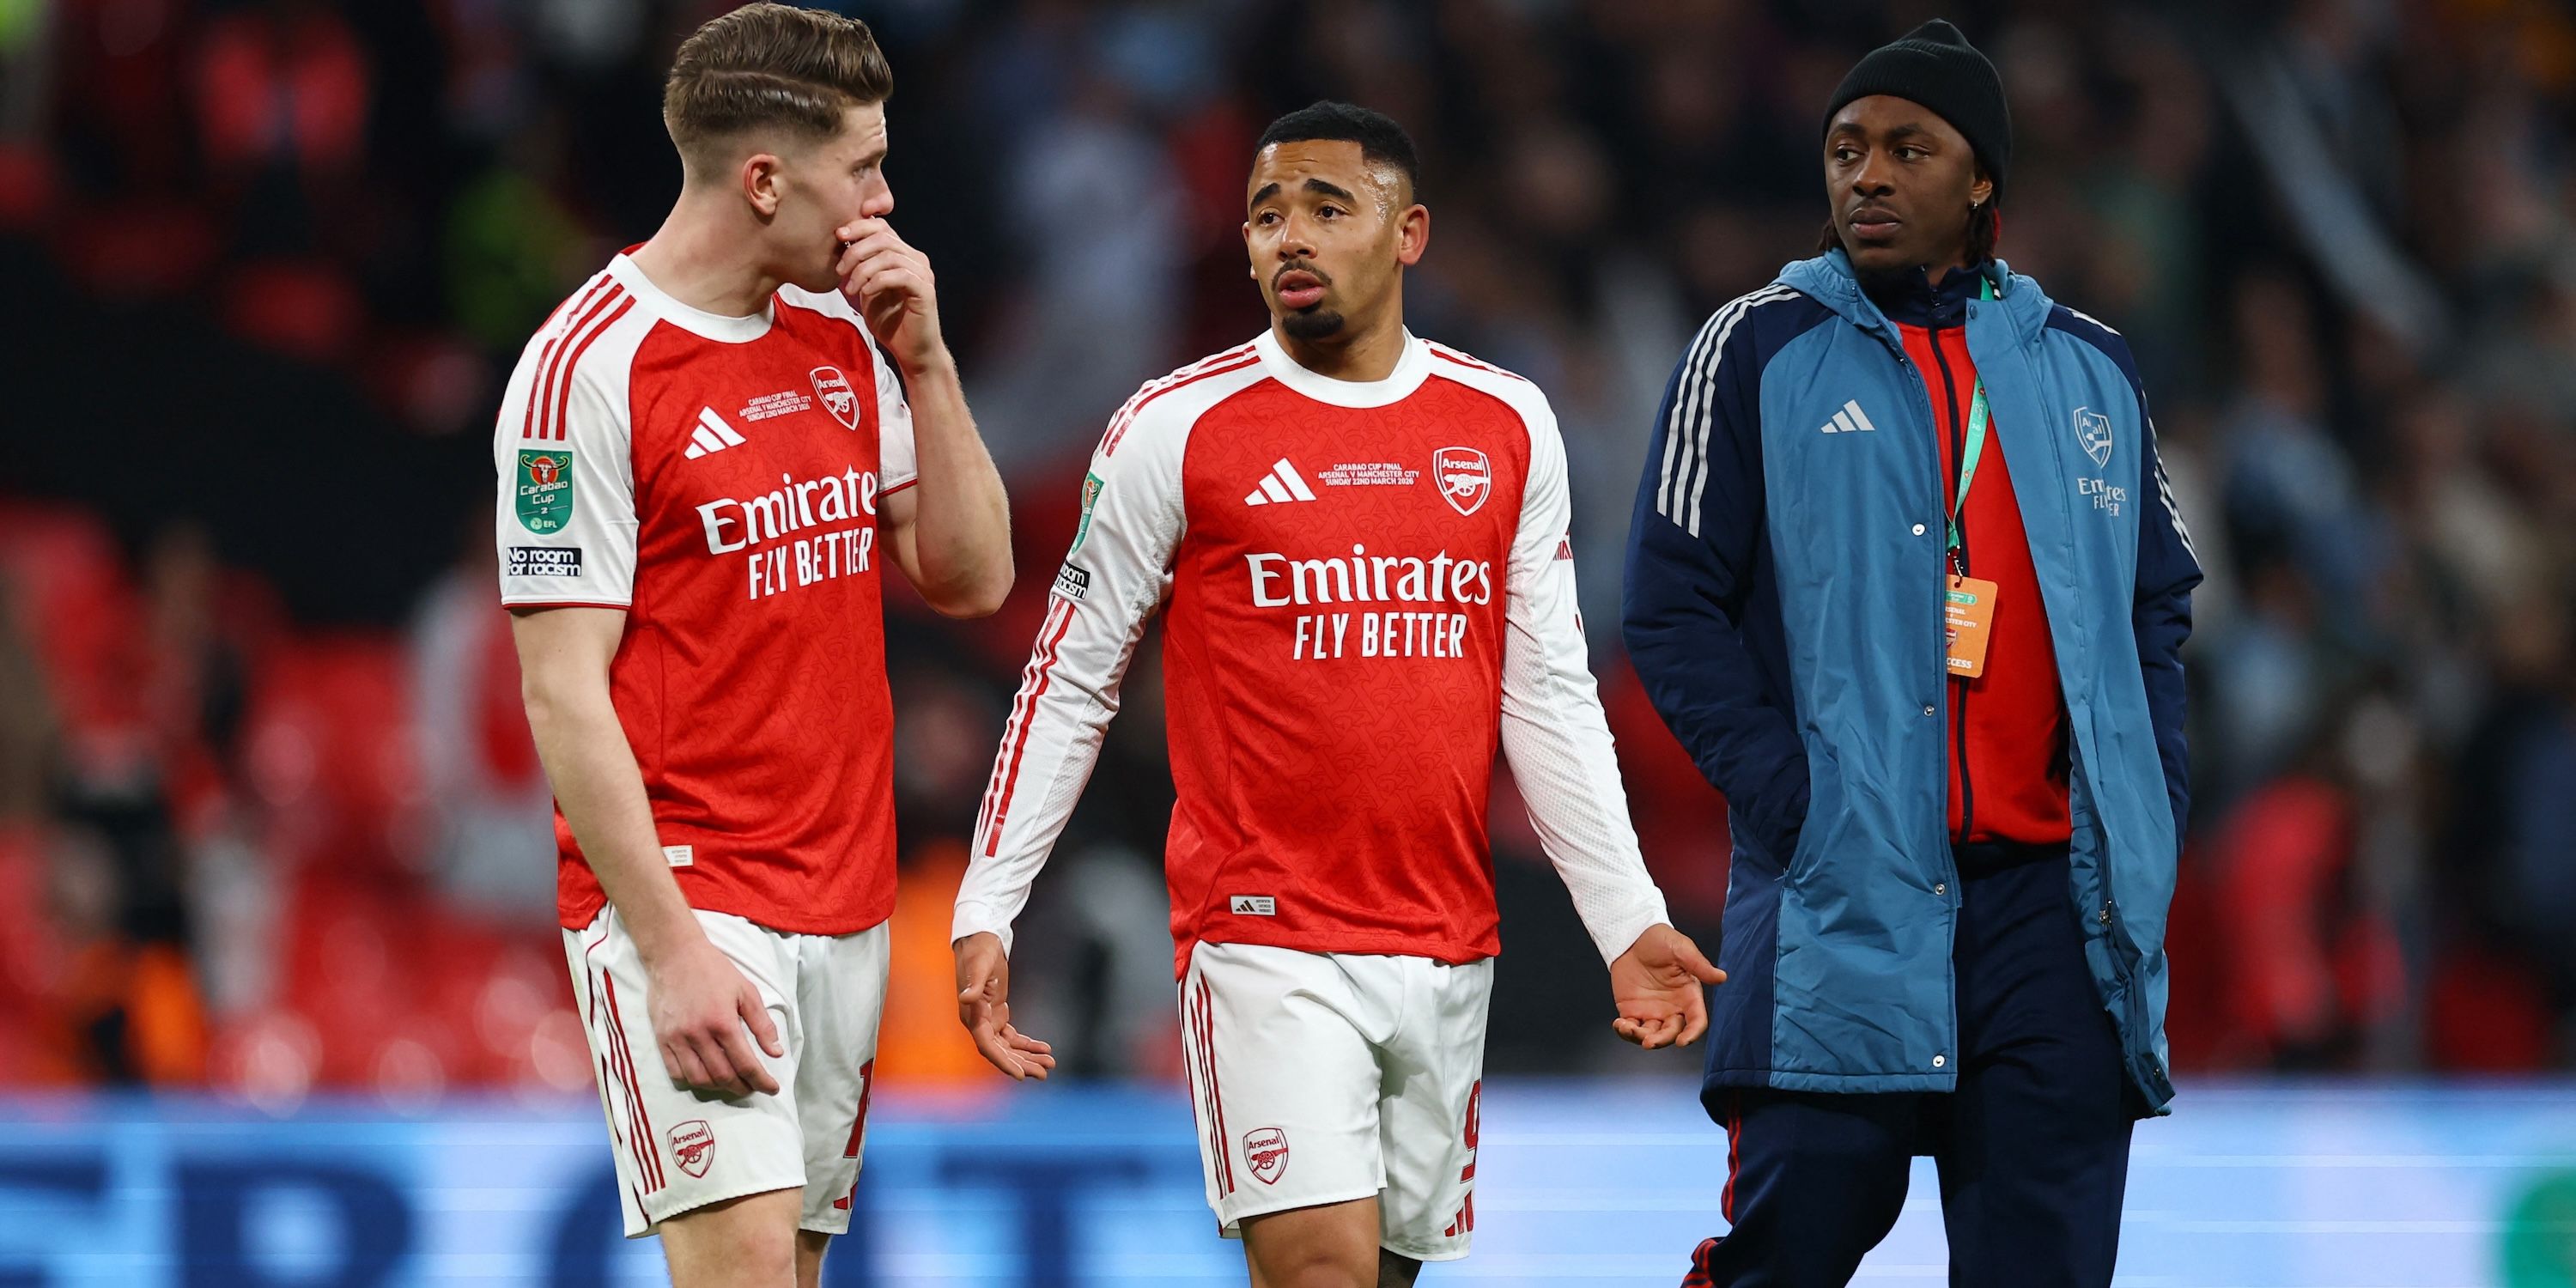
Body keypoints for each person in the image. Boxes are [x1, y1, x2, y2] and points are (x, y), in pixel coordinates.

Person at [951, 101, 1722, 1288]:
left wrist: (1625, 917)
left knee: (1387, 1275)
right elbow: (1072, 672)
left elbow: (1551, 692)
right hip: (1264, 935)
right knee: (1316, 1269)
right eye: (1267, 215)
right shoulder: (1175, 426)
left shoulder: (1506, 424)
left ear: (1408, 233)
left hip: (1444, 937)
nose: (1290, 237)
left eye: (1327, 208)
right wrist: (991, 900)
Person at [1620, 21, 2201, 1288]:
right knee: (1789, 1255)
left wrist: (2151, 803)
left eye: (1906, 148)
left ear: (1982, 178)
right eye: (1844, 149)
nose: (1866, 176)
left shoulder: (2090, 368)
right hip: (1844, 900)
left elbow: (2157, 612)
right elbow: (1667, 608)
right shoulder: (1755, 347)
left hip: (2056, 919)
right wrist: (1797, 801)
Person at [496, 6, 1012, 1286]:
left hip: (846, 898)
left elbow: (973, 574)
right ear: (767, 180)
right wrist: (668, 949)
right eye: (865, 170)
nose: (888, 201)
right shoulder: (585, 375)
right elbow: (562, 697)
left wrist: (932, 367)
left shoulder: (847, 334)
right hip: (690, 899)